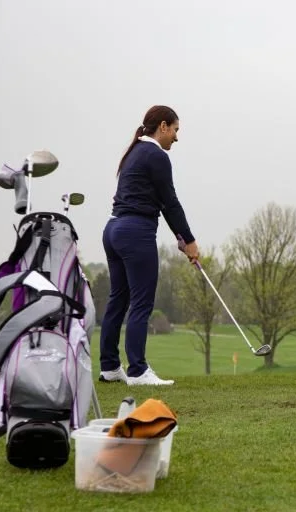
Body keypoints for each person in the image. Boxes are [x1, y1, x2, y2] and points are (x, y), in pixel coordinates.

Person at [99, 105, 200, 386]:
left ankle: (109, 367)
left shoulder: (134, 152)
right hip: (135, 232)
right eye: (176, 130)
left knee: (118, 299)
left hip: (113, 230)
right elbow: (170, 202)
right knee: (141, 301)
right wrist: (190, 240)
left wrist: (181, 238)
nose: (176, 138)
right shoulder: (156, 154)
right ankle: (138, 370)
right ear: (164, 126)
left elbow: (163, 204)